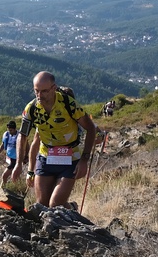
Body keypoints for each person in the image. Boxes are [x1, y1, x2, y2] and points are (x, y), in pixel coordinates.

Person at [10, 71, 97, 208]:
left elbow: (91, 128)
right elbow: (23, 135)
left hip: (70, 158)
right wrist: (19, 164)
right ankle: (70, 210)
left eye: (44, 91)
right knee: (42, 205)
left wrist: (84, 160)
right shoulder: (32, 108)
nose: (40, 96)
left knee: (56, 204)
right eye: (36, 91)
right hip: (46, 158)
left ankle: (70, 213)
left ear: (54, 88)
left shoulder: (68, 104)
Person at [0, 120, 19, 189]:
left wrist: (25, 156)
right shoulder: (7, 135)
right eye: (9, 130)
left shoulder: (19, 136)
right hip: (9, 158)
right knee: (14, 177)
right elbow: (3, 145)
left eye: (11, 130)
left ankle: (3, 190)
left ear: (15, 129)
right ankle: (4, 190)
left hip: (16, 160)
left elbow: (26, 146)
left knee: (5, 175)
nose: (10, 131)